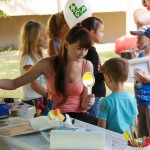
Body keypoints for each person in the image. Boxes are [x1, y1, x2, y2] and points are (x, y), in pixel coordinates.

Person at [0, 26, 98, 126]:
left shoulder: (88, 66)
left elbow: (84, 105)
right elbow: (14, 83)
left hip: (79, 117)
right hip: (54, 117)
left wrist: (88, 102)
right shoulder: (46, 64)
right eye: (79, 48)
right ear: (66, 44)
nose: (83, 53)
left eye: (86, 49)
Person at [97, 58, 138, 134]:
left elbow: (101, 128)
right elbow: (135, 123)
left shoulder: (105, 101)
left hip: (111, 141)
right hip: (129, 141)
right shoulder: (132, 99)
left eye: (104, 78)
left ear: (109, 78)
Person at [79, 17, 106, 117]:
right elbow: (91, 76)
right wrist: (107, 73)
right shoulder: (91, 52)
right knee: (92, 121)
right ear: (92, 33)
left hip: (92, 94)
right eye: (101, 31)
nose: (103, 34)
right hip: (93, 95)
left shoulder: (88, 50)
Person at [19, 20, 47, 103]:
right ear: (34, 38)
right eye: (42, 35)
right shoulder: (28, 59)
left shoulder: (37, 56)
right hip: (33, 100)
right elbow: (34, 84)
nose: (45, 37)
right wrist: (48, 95)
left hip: (40, 97)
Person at [130, 25, 150, 137]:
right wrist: (134, 60)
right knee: (142, 135)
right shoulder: (140, 55)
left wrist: (147, 79)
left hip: (149, 103)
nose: (137, 41)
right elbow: (133, 75)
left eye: (140, 38)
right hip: (140, 102)